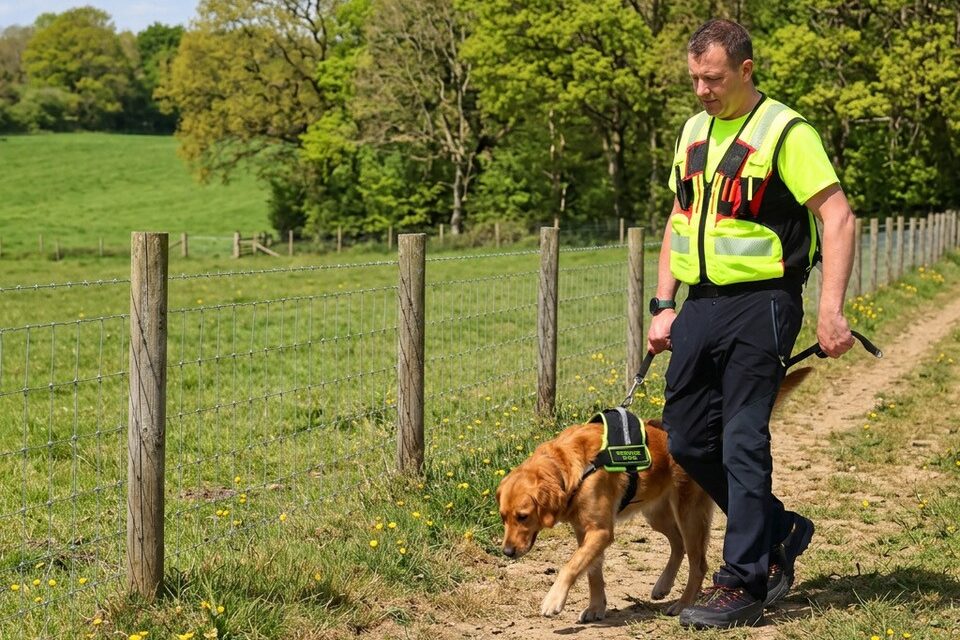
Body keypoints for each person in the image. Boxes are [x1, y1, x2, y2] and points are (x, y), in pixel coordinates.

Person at [646, 19, 856, 629]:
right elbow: (678, 217)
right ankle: (776, 527)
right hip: (700, 305)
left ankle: (743, 580)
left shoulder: (786, 131)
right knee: (684, 439)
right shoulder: (692, 131)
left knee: (741, 436)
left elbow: (837, 217)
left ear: (745, 70)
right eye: (694, 80)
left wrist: (830, 307)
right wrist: (664, 304)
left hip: (764, 302)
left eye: (712, 79)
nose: (703, 90)